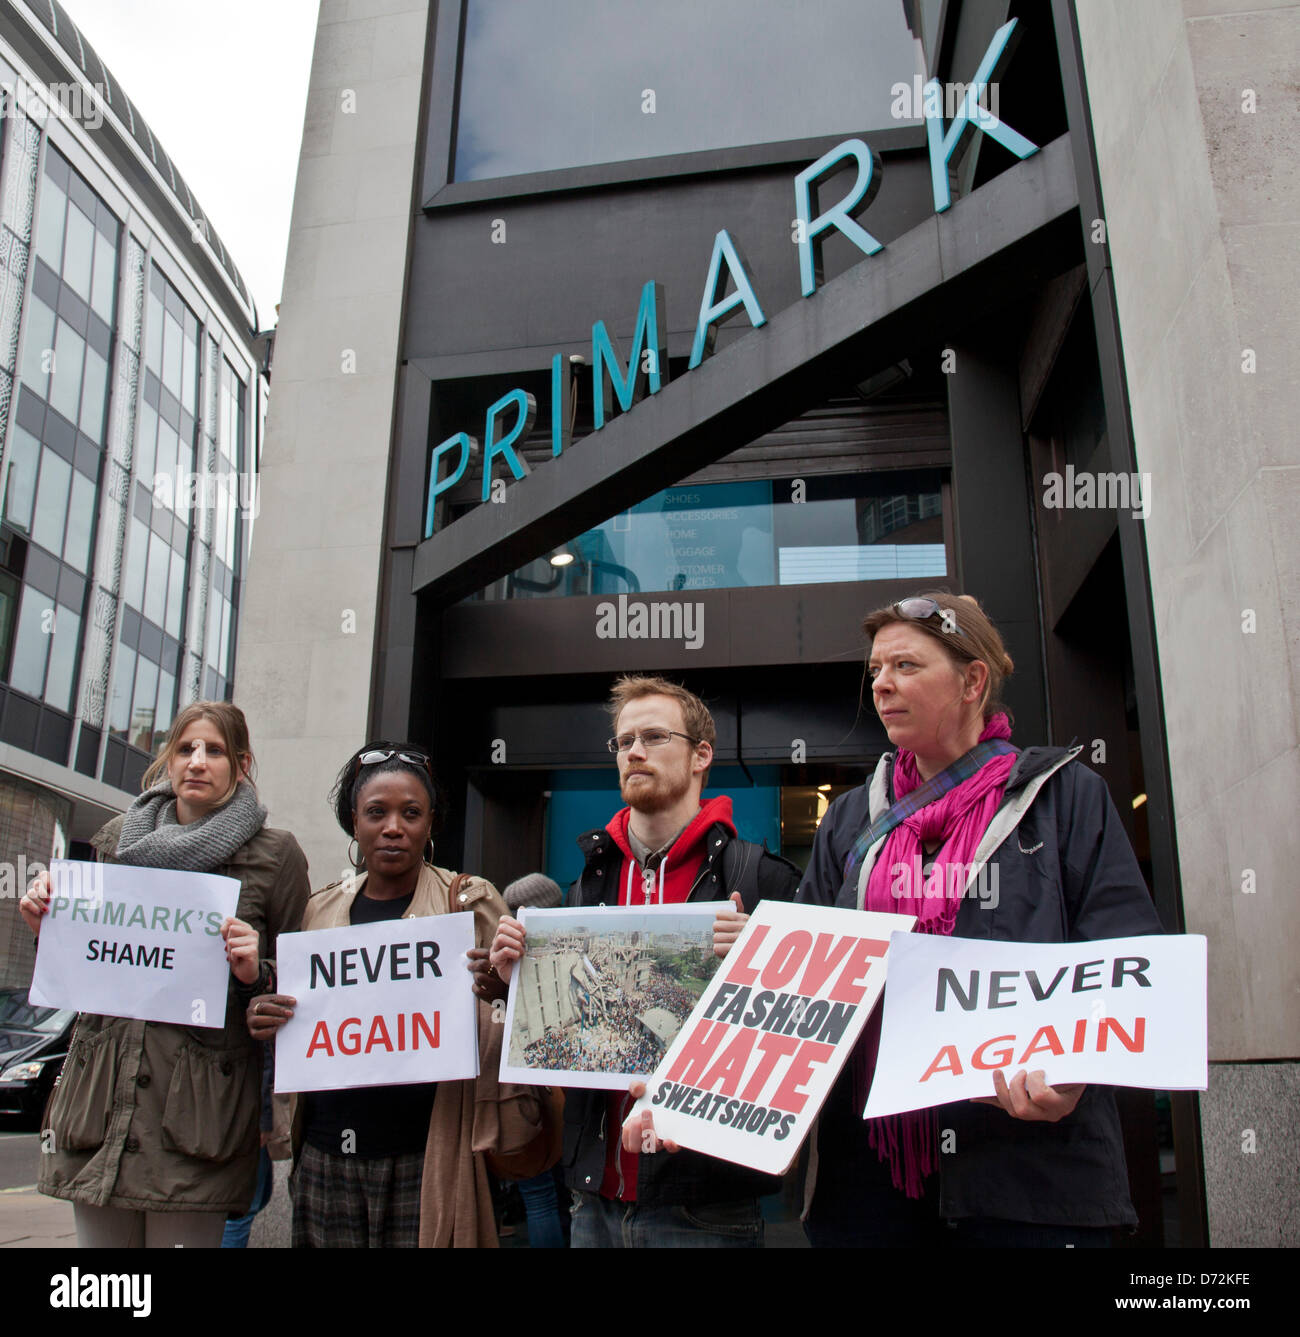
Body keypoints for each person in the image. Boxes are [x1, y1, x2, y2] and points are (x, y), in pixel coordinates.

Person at [795, 592, 1165, 1247]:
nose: (882, 684)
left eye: (906, 665)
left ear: (973, 680)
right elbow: (806, 973)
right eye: (876, 669)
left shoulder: (1066, 797)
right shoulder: (849, 819)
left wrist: (1074, 1069)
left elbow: (1127, 954)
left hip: (1031, 1178)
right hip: (870, 1182)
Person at [490, 675, 800, 1248]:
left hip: (706, 1202)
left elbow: (808, 1030)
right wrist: (522, 985)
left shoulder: (763, 880)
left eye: (654, 736)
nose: (633, 751)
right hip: (595, 1199)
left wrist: (764, 961)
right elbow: (565, 1035)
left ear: (702, 755)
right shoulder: (585, 887)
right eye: (623, 741)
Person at [20, 701, 310, 1248]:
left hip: (195, 1114)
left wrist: (256, 971)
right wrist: (48, 925)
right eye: (185, 749)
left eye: (215, 750)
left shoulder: (275, 856)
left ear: (242, 764)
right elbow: (86, 965)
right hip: (101, 1101)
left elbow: (303, 983)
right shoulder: (115, 840)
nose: (197, 762)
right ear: (168, 761)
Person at [246, 741, 516, 1248]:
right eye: (377, 812)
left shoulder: (472, 904)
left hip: (432, 1157)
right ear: (355, 821)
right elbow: (296, 1017)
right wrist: (267, 1017)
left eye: (410, 813)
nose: (394, 826)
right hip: (325, 1158)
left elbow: (524, 1016)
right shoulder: (318, 911)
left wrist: (499, 991)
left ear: (430, 823)